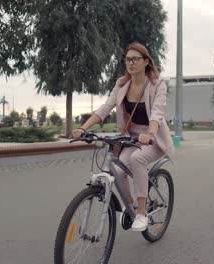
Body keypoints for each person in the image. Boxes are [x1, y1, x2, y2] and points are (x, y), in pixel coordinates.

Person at [72, 42, 174, 231]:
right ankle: (132, 206)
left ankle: (142, 212)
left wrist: (150, 133)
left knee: (137, 159)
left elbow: (157, 114)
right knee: (117, 173)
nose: (131, 62)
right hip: (130, 138)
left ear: (145, 62)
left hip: (152, 138)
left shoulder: (157, 85)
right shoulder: (121, 85)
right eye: (128, 59)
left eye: (135, 59)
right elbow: (105, 108)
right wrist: (83, 128)